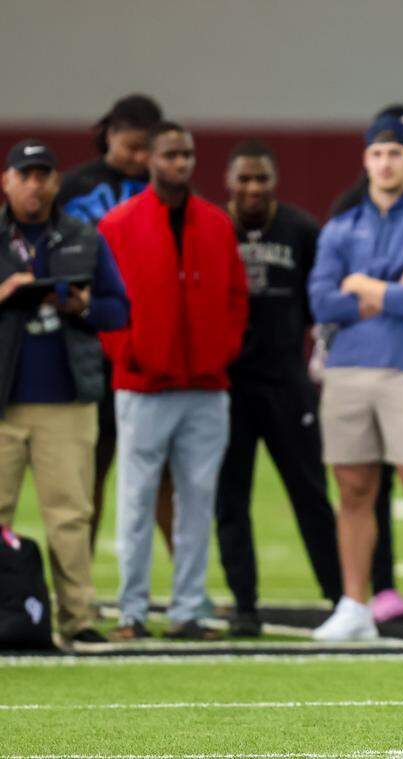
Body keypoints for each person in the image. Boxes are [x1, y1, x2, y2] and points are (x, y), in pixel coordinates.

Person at [308, 115, 403, 646]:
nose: (386, 162)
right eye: (377, 154)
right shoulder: (340, 227)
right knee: (352, 489)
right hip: (347, 370)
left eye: (396, 153)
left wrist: (366, 287)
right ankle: (354, 603)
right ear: (366, 160)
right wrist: (394, 289)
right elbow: (322, 300)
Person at [98, 122, 249, 641]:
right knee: (136, 500)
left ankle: (187, 609)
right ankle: (131, 611)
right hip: (142, 386)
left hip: (205, 387)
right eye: (170, 154)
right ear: (151, 161)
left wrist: (220, 353)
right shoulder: (118, 225)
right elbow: (106, 303)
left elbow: (234, 298)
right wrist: (131, 355)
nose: (180, 163)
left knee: (197, 501)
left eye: (186, 154)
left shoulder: (216, 223)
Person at [0, 139, 129, 646]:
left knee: (70, 514)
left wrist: (85, 307)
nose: (35, 184)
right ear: (6, 181)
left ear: (56, 182)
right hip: (3, 400)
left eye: (43, 175)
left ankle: (79, 618)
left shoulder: (83, 236)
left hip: (67, 398)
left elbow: (120, 309)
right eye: (25, 174)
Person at [215, 141, 342, 637]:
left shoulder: (300, 230)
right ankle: (244, 604)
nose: (252, 188)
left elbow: (320, 300)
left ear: (274, 181)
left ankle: (339, 597)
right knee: (231, 497)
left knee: (310, 491)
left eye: (261, 179)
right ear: (229, 181)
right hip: (229, 383)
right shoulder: (214, 227)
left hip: (286, 380)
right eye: (244, 179)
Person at [56, 94, 173, 556]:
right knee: (90, 470)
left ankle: (188, 589)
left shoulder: (165, 188)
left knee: (163, 472)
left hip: (148, 343)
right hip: (90, 346)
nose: (139, 159)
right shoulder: (73, 188)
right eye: (131, 147)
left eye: (148, 149)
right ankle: (79, 587)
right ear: (109, 136)